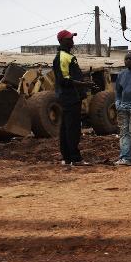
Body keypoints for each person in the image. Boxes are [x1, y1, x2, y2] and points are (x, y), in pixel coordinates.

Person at [52, 29, 92, 166]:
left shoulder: (67, 56)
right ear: (62, 41)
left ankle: (67, 157)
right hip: (70, 97)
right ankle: (75, 158)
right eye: (69, 39)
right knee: (72, 128)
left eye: (72, 38)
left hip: (70, 97)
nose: (72, 41)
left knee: (66, 127)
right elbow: (65, 80)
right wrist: (84, 84)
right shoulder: (62, 57)